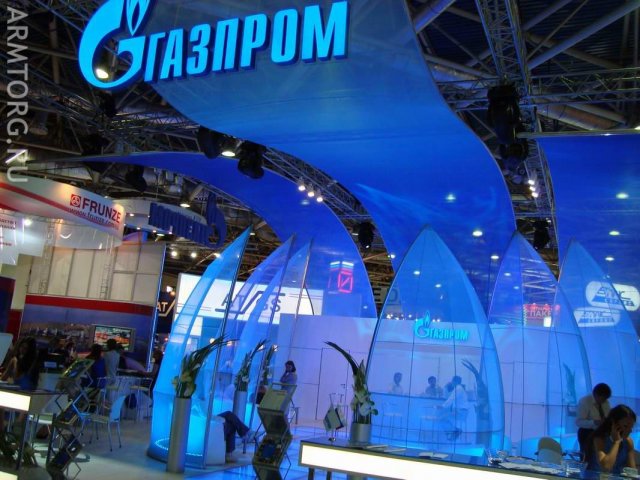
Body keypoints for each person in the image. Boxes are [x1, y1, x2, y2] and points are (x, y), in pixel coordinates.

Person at [585, 404, 636, 474]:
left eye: (631, 427)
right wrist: (616, 442)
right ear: (614, 423)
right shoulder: (599, 439)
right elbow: (606, 467)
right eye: (626, 426)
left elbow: (632, 471)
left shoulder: (628, 441)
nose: (630, 430)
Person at [576, 383, 612, 456]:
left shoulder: (605, 402)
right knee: (588, 456)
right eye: (603, 398)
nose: (604, 401)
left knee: (602, 454)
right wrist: (594, 422)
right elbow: (579, 422)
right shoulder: (585, 401)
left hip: (602, 432)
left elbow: (608, 414)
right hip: (587, 433)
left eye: (606, 399)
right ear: (595, 394)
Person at [439, 375, 467, 440]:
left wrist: (442, 406)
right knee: (444, 419)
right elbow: (449, 397)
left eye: (452, 381)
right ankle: (453, 432)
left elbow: (451, 398)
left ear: (455, 381)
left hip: (460, 412)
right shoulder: (459, 388)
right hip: (460, 411)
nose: (451, 382)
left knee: (442, 419)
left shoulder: (458, 388)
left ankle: (455, 431)